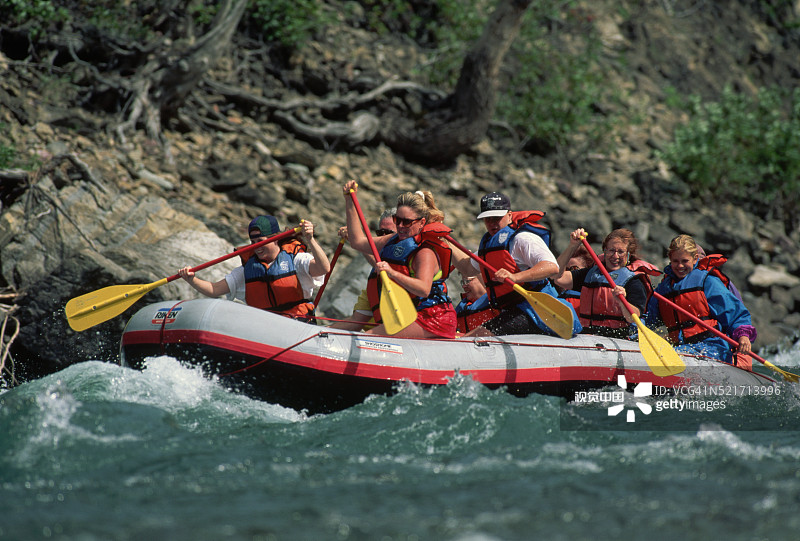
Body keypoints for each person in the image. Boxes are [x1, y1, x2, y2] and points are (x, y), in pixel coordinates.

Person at [342, 180, 457, 339]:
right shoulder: (392, 240)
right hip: (410, 315)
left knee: (368, 338)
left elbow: (423, 289)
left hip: (433, 318)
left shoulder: (425, 252)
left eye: (407, 222)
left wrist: (392, 273)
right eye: (397, 220)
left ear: (421, 222)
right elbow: (357, 242)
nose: (401, 226)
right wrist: (349, 201)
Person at [461, 192, 581, 337]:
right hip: (513, 310)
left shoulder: (523, 239)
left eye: (497, 218)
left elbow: (552, 267)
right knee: (469, 335)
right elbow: (467, 268)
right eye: (488, 219)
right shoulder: (487, 247)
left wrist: (515, 277)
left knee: (478, 335)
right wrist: (443, 240)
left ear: (510, 215)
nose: (493, 223)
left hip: (537, 311)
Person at [178, 215, 330, 320]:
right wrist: (192, 279)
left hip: (297, 323)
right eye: (253, 241)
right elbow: (214, 290)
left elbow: (324, 268)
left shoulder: (296, 260)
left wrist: (310, 239)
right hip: (264, 326)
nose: (257, 247)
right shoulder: (248, 270)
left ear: (275, 239)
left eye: (261, 240)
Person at [644, 234, 756, 369]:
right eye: (675, 261)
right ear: (670, 259)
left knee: (673, 356)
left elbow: (735, 314)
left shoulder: (707, 282)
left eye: (685, 261)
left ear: (695, 258)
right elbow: (648, 319)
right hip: (681, 347)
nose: (680, 266)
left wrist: (743, 336)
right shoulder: (664, 289)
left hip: (712, 348)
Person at [553, 228, 660, 339]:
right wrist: (572, 246)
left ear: (628, 255)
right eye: (611, 250)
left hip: (617, 339)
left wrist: (621, 301)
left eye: (620, 252)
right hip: (587, 337)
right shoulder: (590, 275)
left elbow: (633, 317)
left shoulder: (634, 281)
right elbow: (557, 277)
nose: (615, 256)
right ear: (604, 251)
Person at [330, 208, 397, 331]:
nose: (382, 238)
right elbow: (355, 323)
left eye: (388, 233)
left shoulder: (410, 260)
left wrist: (358, 241)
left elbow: (380, 265)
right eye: (380, 233)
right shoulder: (375, 282)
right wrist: (320, 331)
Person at [555, 242, 593, 312]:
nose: (567, 273)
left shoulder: (594, 299)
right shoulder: (555, 297)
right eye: (566, 269)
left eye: (574, 269)